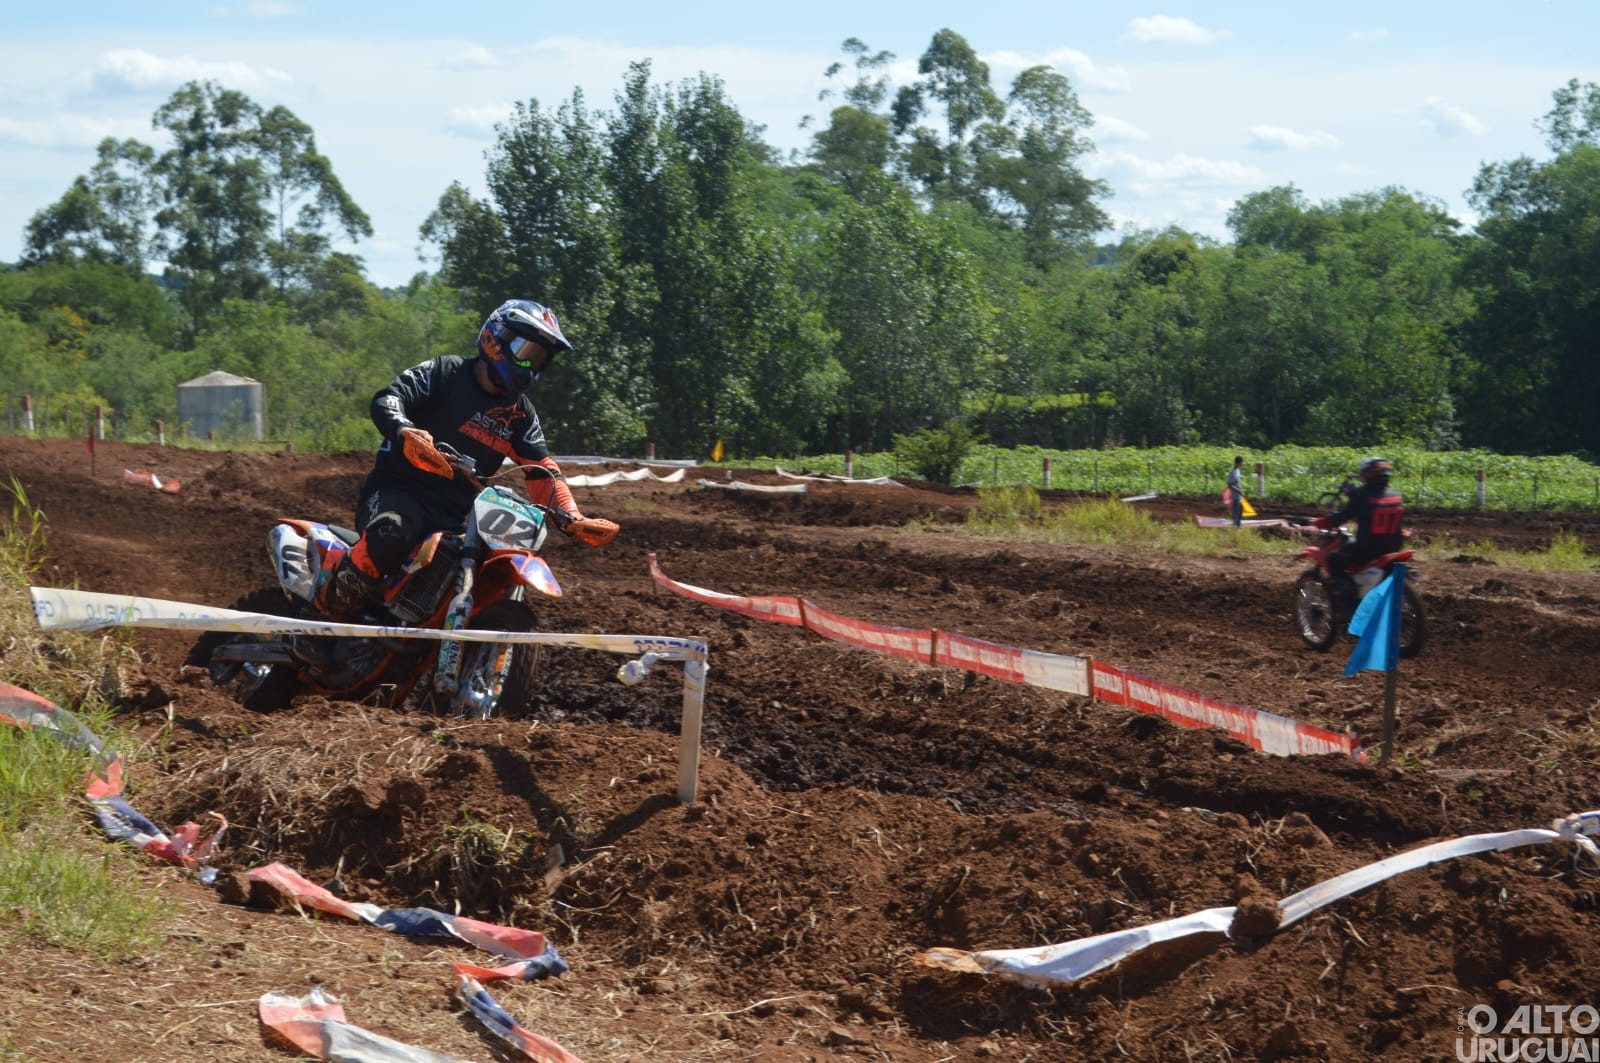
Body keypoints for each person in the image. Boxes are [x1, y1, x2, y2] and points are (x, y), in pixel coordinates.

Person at [314, 298, 619, 618]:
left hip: (454, 516)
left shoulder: (520, 415)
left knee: (478, 564)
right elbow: (389, 398)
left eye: (539, 359)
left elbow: (542, 469)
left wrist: (573, 516)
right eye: (526, 351)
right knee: (394, 531)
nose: (530, 365)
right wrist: (405, 432)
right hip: (396, 493)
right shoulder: (446, 372)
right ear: (496, 338)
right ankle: (329, 607)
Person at [1311, 457, 1404, 587]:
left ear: (1368, 475)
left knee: (1333, 559)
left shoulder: (1363, 496)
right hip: (1393, 548)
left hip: (1366, 550)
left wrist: (1323, 522)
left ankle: (1345, 599)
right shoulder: (1395, 495)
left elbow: (1343, 516)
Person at [1226, 455, 1246, 528]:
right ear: (1238, 462)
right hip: (1235, 495)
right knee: (1236, 511)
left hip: (1238, 494)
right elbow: (1230, 485)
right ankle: (1235, 526)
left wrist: (1241, 490)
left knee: (1240, 510)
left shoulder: (1238, 470)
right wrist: (1239, 491)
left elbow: (1237, 482)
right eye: (1242, 462)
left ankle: (1238, 525)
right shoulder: (1233, 472)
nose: (1242, 464)